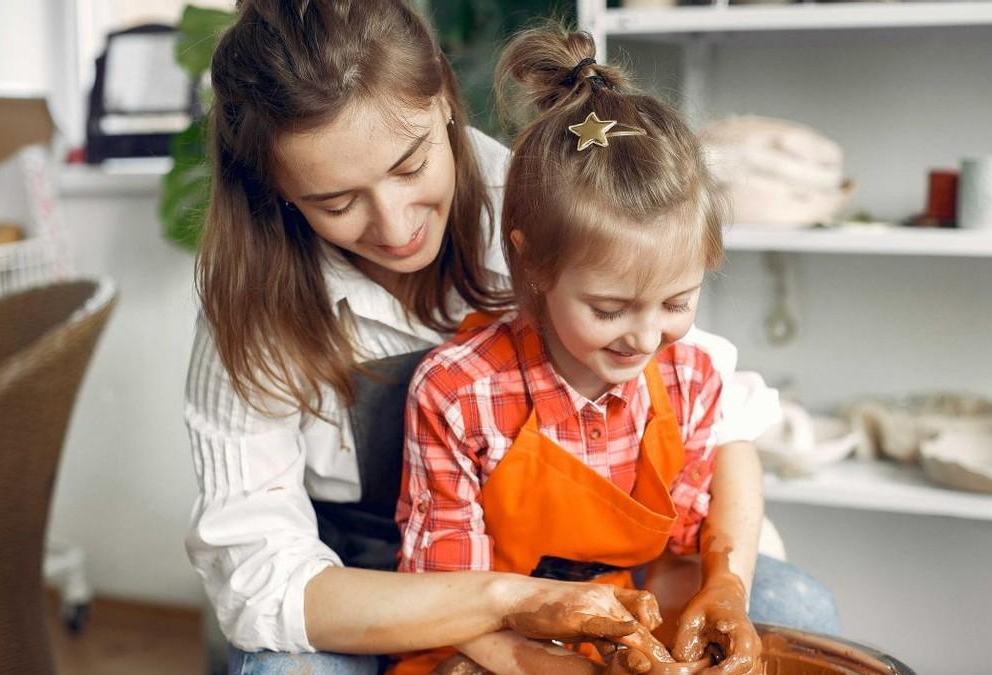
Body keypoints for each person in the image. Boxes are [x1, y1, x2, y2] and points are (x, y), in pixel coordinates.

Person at [184, 1, 838, 673]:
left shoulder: (553, 196)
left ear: (443, 96)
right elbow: (258, 577)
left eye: (411, 167)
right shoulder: (253, 304)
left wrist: (720, 578)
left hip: (599, 572)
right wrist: (505, 608)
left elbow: (705, 398)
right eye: (337, 202)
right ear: (279, 187)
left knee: (800, 613)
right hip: (376, 595)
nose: (394, 224)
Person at [392, 25, 836, 675]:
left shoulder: (687, 379)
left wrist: (724, 587)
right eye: (608, 309)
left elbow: (689, 538)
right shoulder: (460, 391)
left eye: (677, 302)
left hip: (623, 629)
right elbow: (446, 596)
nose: (645, 336)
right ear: (534, 262)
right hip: (489, 640)